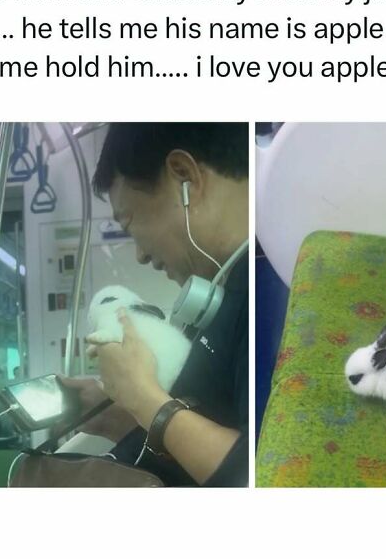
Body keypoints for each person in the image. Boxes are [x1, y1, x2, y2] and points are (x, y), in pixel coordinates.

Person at [64, 123, 249, 486]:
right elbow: (203, 435)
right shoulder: (222, 294)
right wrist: (117, 413)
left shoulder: (264, 293)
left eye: (130, 224)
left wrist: (144, 396)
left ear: (184, 177)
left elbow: (254, 473)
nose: (141, 255)